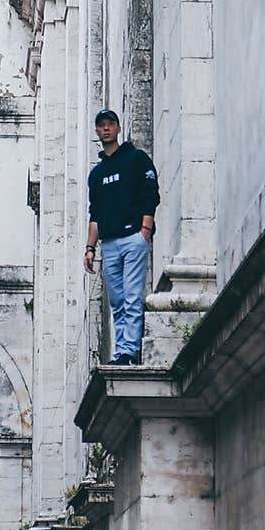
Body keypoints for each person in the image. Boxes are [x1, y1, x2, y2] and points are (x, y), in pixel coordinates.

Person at [84, 108, 160, 365]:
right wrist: (90, 248)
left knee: (131, 296)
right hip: (110, 243)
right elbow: (94, 213)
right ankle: (121, 352)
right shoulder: (96, 174)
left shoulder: (136, 159)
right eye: (101, 125)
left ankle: (130, 350)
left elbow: (151, 193)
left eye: (110, 124)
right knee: (117, 301)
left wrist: (145, 230)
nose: (106, 128)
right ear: (97, 131)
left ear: (117, 128)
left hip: (133, 238)